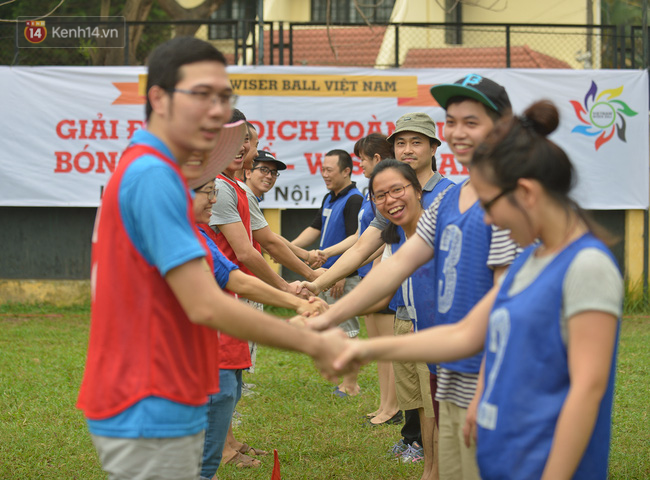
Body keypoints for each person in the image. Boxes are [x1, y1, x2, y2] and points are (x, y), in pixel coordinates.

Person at [77, 36, 343, 480]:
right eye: (202, 95)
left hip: (160, 391)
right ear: (159, 98)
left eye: (225, 97)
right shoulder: (154, 175)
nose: (218, 110)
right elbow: (205, 300)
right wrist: (313, 341)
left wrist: (295, 301)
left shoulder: (152, 169)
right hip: (151, 397)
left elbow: (220, 278)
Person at [331, 100, 623, 480]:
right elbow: (469, 335)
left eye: (488, 203)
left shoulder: (587, 266)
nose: (484, 219)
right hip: (504, 447)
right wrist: (362, 348)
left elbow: (587, 391)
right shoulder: (528, 263)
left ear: (527, 193)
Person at [306, 75, 518, 480]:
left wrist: (488, 387)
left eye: (471, 121)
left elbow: (506, 305)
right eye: (452, 121)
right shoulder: (449, 201)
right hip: (450, 369)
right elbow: (394, 267)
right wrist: (326, 315)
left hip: (490, 377)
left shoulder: (511, 200)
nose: (459, 131)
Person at [187, 176, 327, 477]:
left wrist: (294, 301)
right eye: (208, 194)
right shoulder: (180, 237)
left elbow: (234, 278)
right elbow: (223, 292)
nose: (214, 200)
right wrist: (295, 310)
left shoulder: (199, 234)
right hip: (200, 353)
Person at [291, 149, 364, 396]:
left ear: (346, 171)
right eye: (322, 169)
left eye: (329, 170)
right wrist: (289, 248)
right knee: (335, 327)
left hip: (342, 277)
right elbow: (315, 228)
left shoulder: (354, 200)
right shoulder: (329, 198)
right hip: (326, 275)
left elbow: (358, 241)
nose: (324, 174)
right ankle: (344, 380)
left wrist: (342, 274)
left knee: (348, 329)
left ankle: (351, 385)